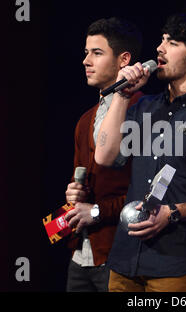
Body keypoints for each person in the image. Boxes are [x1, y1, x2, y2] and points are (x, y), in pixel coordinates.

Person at [94, 10, 186, 292]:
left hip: (174, 266)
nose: (160, 48)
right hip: (125, 260)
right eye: (162, 40)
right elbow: (104, 155)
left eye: (172, 43)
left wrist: (172, 212)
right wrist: (122, 96)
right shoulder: (143, 107)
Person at [63, 17, 143, 292]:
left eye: (97, 53)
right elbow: (82, 184)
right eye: (86, 52)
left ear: (124, 60)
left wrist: (97, 211)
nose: (86, 60)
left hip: (119, 255)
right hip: (80, 253)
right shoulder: (85, 119)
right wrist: (74, 194)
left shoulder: (144, 111)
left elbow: (150, 193)